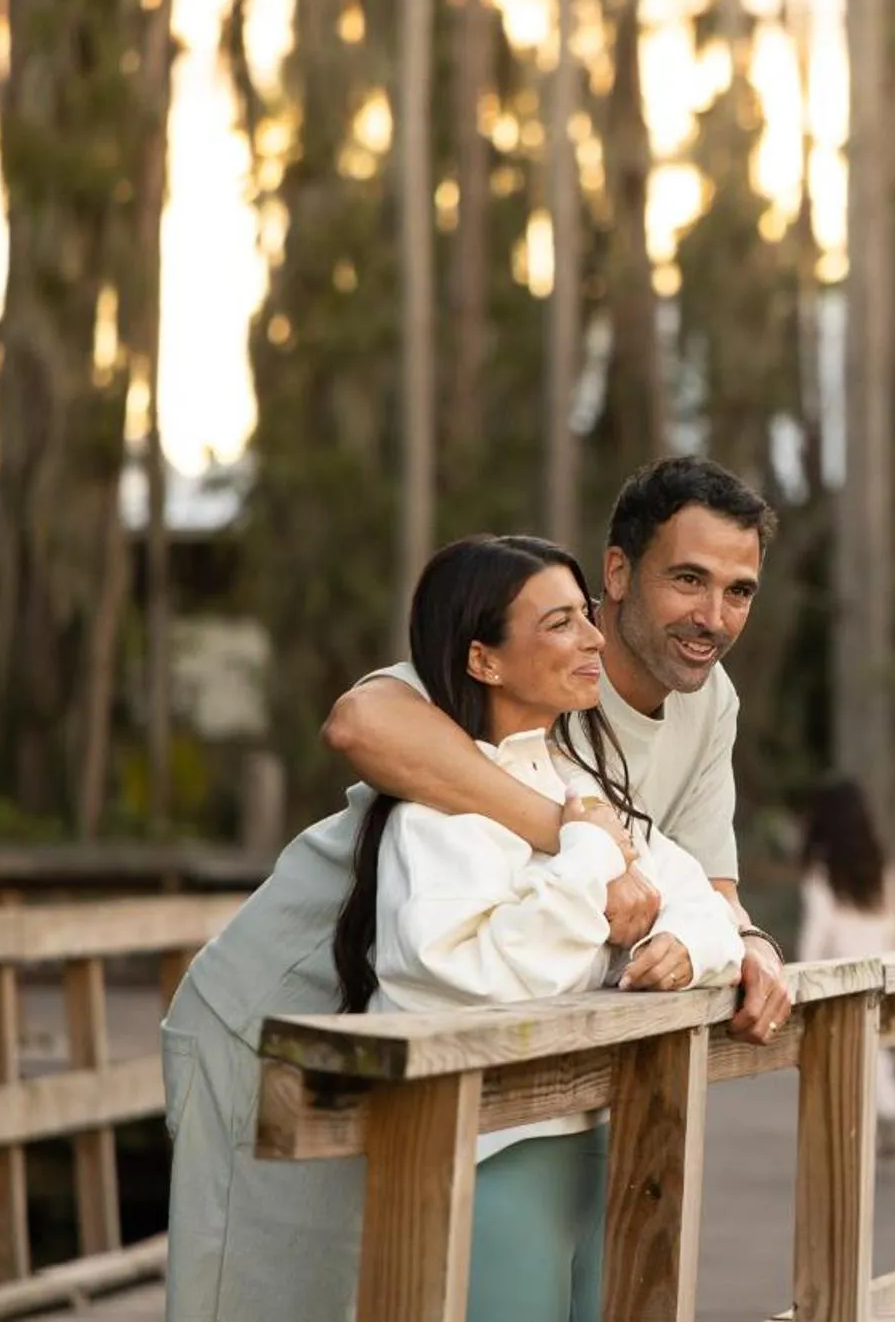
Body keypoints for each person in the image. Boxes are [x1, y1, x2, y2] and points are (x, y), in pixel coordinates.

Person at [160, 456, 791, 1319]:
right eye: (688, 579)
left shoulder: (707, 699)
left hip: (430, 1041)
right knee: (265, 1302)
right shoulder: (531, 646)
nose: (711, 616)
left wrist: (744, 941)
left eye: (738, 590)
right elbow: (359, 721)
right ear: (618, 571)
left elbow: (700, 880)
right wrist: (573, 832)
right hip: (280, 1011)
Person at [342, 535, 743, 1321]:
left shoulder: (579, 782)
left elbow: (699, 898)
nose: (595, 638)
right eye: (561, 623)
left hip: (599, 1133)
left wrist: (686, 944)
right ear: (484, 659)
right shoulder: (436, 815)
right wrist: (591, 855)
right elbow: (487, 978)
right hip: (489, 1147)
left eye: (585, 616)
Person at [794, 777, 895, 1159]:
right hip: (879, 963)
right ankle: (886, 1109)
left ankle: (859, 1119)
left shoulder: (823, 871)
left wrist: (800, 977)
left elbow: (818, 928)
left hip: (836, 970)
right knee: (874, 1043)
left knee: (841, 1048)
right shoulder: (881, 863)